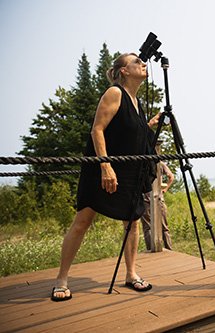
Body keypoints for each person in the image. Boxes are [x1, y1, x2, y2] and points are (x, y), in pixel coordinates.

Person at [51, 53, 161, 301]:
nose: (144, 64)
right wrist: (105, 166)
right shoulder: (115, 93)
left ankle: (131, 274)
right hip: (103, 167)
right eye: (137, 62)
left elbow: (130, 132)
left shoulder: (136, 101)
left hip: (127, 171)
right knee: (83, 220)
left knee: (132, 221)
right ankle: (61, 279)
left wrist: (149, 125)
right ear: (124, 71)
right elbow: (97, 129)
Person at [141, 161, 175, 251]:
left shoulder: (143, 162)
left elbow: (171, 177)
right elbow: (171, 177)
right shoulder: (160, 163)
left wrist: (165, 189)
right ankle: (168, 249)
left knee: (148, 227)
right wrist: (165, 189)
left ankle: (152, 249)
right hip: (156, 198)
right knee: (163, 226)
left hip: (147, 198)